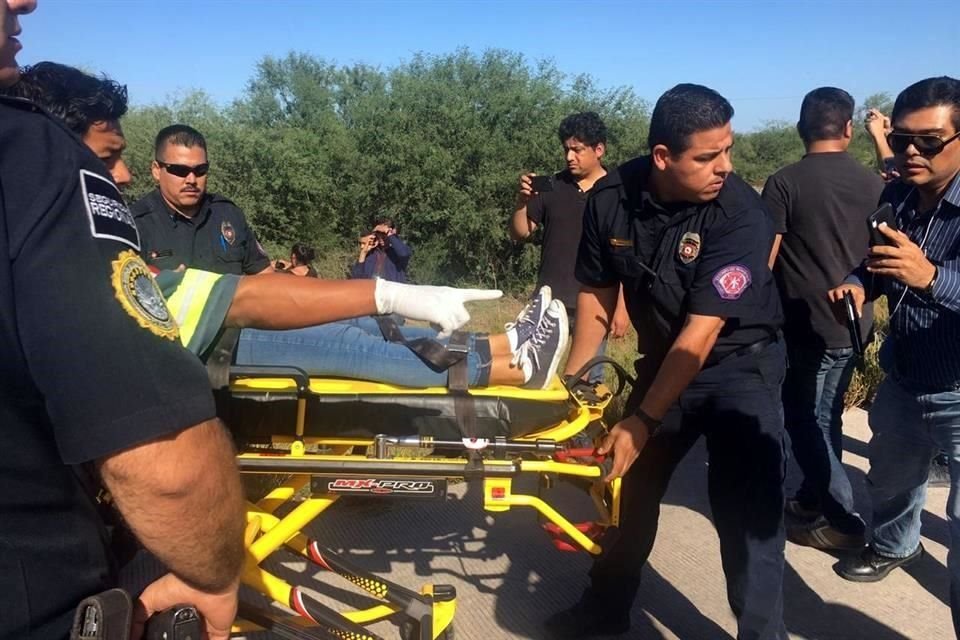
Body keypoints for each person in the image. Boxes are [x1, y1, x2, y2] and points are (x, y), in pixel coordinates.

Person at [0, 9, 245, 639]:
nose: (24, 4)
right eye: (113, 157)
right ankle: (485, 356)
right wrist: (213, 575)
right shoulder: (32, 159)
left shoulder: (227, 216)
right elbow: (162, 462)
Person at [546, 84, 787, 639]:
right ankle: (605, 608)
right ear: (662, 157)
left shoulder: (740, 214)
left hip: (739, 369)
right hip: (662, 359)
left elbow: (701, 336)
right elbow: (598, 297)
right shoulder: (610, 198)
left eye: (728, 149)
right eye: (708, 156)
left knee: (747, 517)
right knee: (628, 492)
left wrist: (643, 421)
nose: (725, 166)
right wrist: (578, 394)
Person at [828, 76, 960, 635]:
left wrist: (931, 277)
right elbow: (879, 264)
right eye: (903, 139)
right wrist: (860, 283)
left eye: (928, 141)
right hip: (904, 375)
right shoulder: (897, 198)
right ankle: (894, 546)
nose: (911, 151)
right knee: (893, 479)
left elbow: (923, 276)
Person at [762, 87, 885, 551]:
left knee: (804, 419)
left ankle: (843, 520)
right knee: (825, 413)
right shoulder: (875, 183)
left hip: (804, 324)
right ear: (850, 129)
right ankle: (814, 496)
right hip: (855, 322)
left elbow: (764, 259)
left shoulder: (784, 182)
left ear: (800, 128)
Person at [510, 112, 629, 382]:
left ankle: (583, 425)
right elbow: (520, 232)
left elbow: (624, 256)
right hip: (548, 301)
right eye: (566, 149)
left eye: (577, 150)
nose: (569, 157)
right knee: (527, 372)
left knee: (586, 380)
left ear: (599, 149)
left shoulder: (618, 193)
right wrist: (521, 203)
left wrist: (622, 307)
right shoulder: (552, 186)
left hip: (597, 303)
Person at [132, 124, 273, 275]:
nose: (191, 179)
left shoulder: (228, 214)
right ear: (157, 170)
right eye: (180, 170)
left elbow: (265, 276)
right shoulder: (135, 225)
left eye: (200, 170)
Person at [350, 215, 412, 282]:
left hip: (391, 291)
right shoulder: (371, 253)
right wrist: (363, 253)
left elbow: (404, 254)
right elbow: (356, 278)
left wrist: (388, 233)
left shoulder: (398, 252)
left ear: (392, 232)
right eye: (379, 233)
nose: (381, 237)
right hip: (372, 291)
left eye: (383, 233)